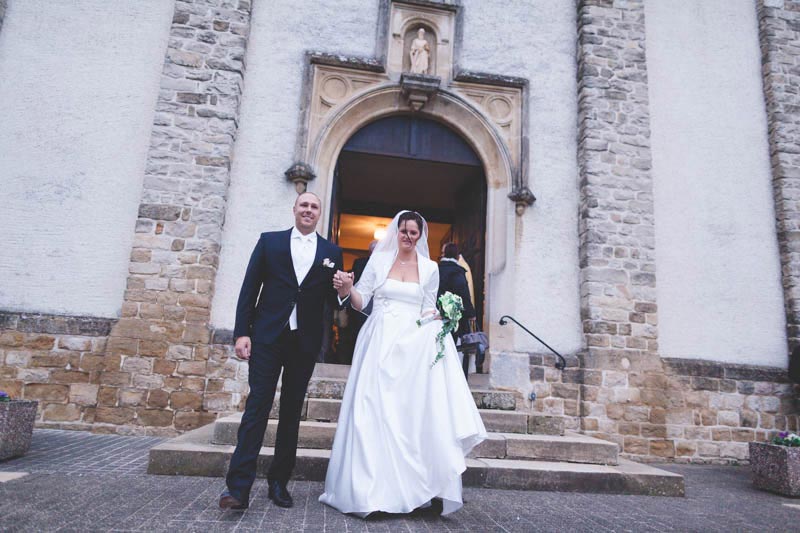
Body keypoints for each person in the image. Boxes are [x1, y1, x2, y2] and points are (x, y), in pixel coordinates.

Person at [319, 210, 487, 517]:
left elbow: (427, 308)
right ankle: (371, 492)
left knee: (410, 414)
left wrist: (439, 317)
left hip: (414, 346)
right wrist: (346, 289)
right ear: (396, 232)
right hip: (380, 340)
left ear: (420, 235)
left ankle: (418, 489)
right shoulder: (379, 262)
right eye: (403, 231)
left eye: (413, 232)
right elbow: (361, 300)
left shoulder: (430, 268)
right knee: (374, 410)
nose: (408, 236)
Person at [219, 192, 344, 511]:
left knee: (291, 412)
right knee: (257, 407)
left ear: (319, 213)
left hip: (304, 342)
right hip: (267, 337)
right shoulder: (270, 242)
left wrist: (344, 290)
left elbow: (333, 302)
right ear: (294, 209)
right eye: (304, 205)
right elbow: (249, 288)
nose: (308, 210)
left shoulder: (331, 252)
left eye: (314, 206)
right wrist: (242, 332)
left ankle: (279, 482)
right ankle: (238, 488)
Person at [438, 242, 476, 341]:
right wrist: (471, 313)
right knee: (452, 342)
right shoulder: (457, 271)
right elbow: (463, 294)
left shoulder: (436, 269)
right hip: (454, 316)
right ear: (457, 256)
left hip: (437, 314)